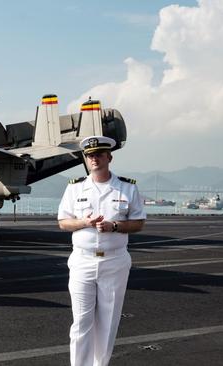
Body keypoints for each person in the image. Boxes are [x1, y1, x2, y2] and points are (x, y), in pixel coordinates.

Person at [57, 136, 146, 366]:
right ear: (85, 159)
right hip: (82, 261)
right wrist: (84, 223)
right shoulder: (75, 187)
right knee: (81, 322)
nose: (93, 158)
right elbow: (63, 222)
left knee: (108, 322)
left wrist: (114, 226)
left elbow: (138, 223)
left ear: (109, 157)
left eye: (98, 154)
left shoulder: (127, 187)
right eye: (89, 155)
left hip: (114, 262)